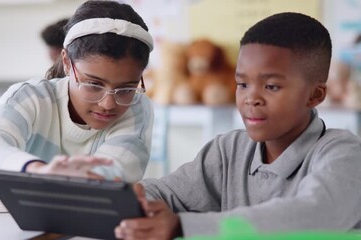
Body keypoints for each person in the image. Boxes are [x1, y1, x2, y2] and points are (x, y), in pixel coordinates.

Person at [115, 12, 361, 239]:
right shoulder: (229, 150)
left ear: (315, 95)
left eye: (271, 86)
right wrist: (133, 201)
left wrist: (181, 225)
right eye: (242, 84)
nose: (250, 98)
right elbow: (165, 193)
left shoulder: (343, 152)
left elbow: (314, 214)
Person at [0, 0, 155, 213]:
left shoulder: (136, 107)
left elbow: (104, 188)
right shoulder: (32, 97)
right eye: (93, 84)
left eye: (126, 88)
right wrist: (38, 170)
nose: (108, 103)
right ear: (67, 62)